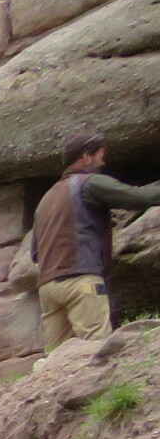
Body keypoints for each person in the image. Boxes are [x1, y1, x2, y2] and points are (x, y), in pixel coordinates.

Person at [35, 133, 160, 353]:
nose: (103, 162)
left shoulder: (45, 200)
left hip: (48, 289)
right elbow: (137, 197)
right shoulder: (89, 183)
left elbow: (35, 253)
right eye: (101, 156)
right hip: (82, 282)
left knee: (55, 360)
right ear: (86, 157)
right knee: (96, 351)